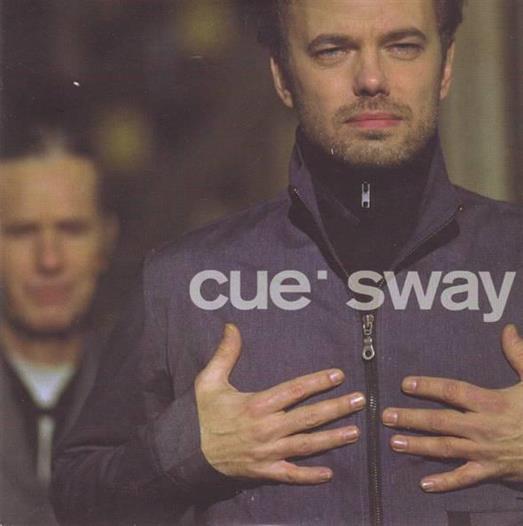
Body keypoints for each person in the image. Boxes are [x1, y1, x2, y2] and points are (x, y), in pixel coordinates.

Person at [51, 1, 523, 525]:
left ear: (446, 65)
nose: (371, 78)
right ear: (282, 76)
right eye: (332, 50)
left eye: (403, 46)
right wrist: (182, 451)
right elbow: (76, 500)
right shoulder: (182, 284)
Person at [0, 122, 118, 525]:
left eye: (71, 229)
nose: (49, 260)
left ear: (106, 240)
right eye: (22, 232)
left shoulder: (151, 395)